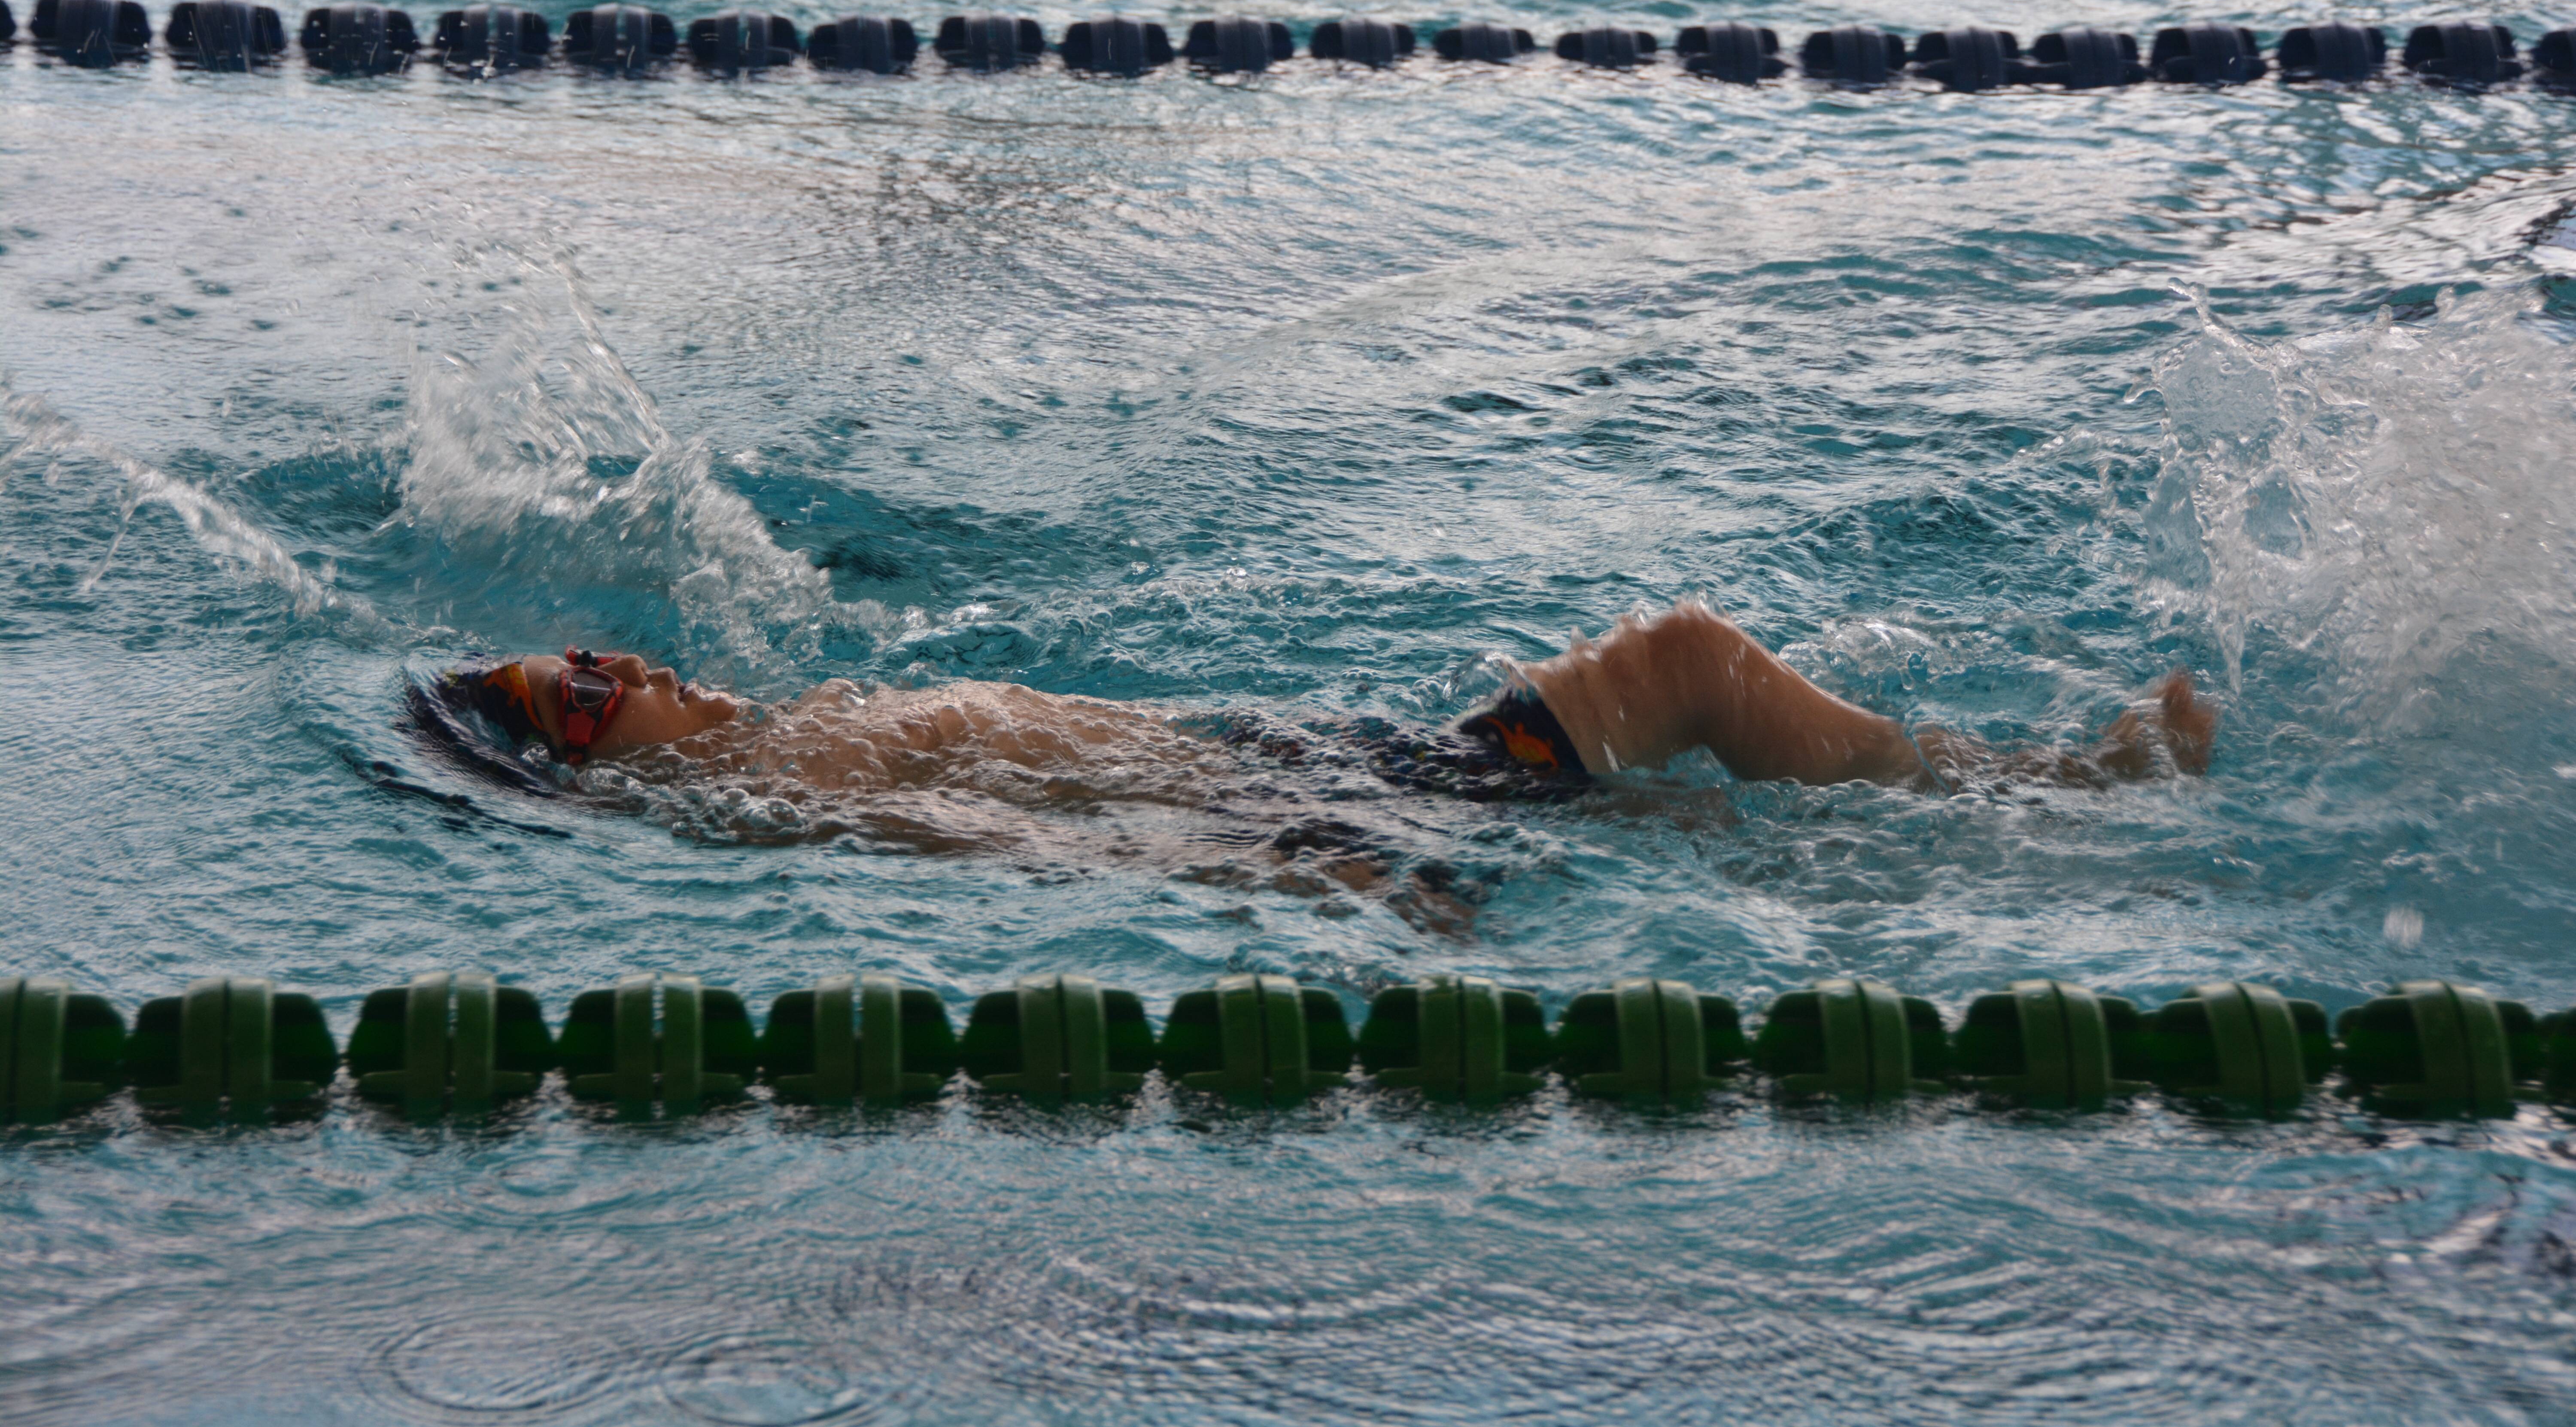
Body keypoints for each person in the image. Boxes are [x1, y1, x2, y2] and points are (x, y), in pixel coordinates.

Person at [421, 599, 2215, 801]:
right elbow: (1043, 839)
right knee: (1679, 663)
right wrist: (1296, 859)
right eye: (574, 699)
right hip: (1329, 801)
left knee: (1667, 707)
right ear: (592, 771)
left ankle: (2029, 784)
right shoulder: (800, 784)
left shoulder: (790, 725)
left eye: (571, 650)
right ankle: (2069, 789)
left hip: (1317, 765)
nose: (605, 665)